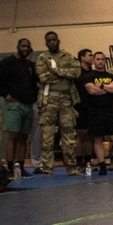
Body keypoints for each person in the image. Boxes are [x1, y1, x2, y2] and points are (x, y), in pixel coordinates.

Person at [35, 31, 82, 175]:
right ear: (46, 43)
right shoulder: (42, 58)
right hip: (49, 99)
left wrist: (56, 71)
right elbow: (43, 77)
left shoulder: (67, 56)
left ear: (58, 41)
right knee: (47, 135)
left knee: (68, 134)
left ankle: (71, 167)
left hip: (66, 98)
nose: (52, 42)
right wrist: (64, 75)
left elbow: (76, 72)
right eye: (49, 40)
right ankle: (48, 168)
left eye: (54, 40)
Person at [0, 38, 38, 176]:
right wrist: (5, 94)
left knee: (24, 137)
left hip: (28, 105)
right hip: (13, 105)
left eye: (28, 46)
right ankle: (10, 168)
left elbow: (34, 83)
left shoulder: (29, 65)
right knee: (13, 136)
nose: (25, 48)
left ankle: (20, 167)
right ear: (18, 46)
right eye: (23, 46)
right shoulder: (7, 62)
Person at [82, 51, 113, 176]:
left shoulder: (112, 75)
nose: (100, 61)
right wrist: (108, 88)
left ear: (105, 61)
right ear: (94, 61)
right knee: (97, 138)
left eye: (102, 59)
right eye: (98, 59)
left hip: (109, 109)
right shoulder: (89, 76)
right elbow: (91, 91)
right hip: (95, 110)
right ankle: (102, 166)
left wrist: (101, 86)